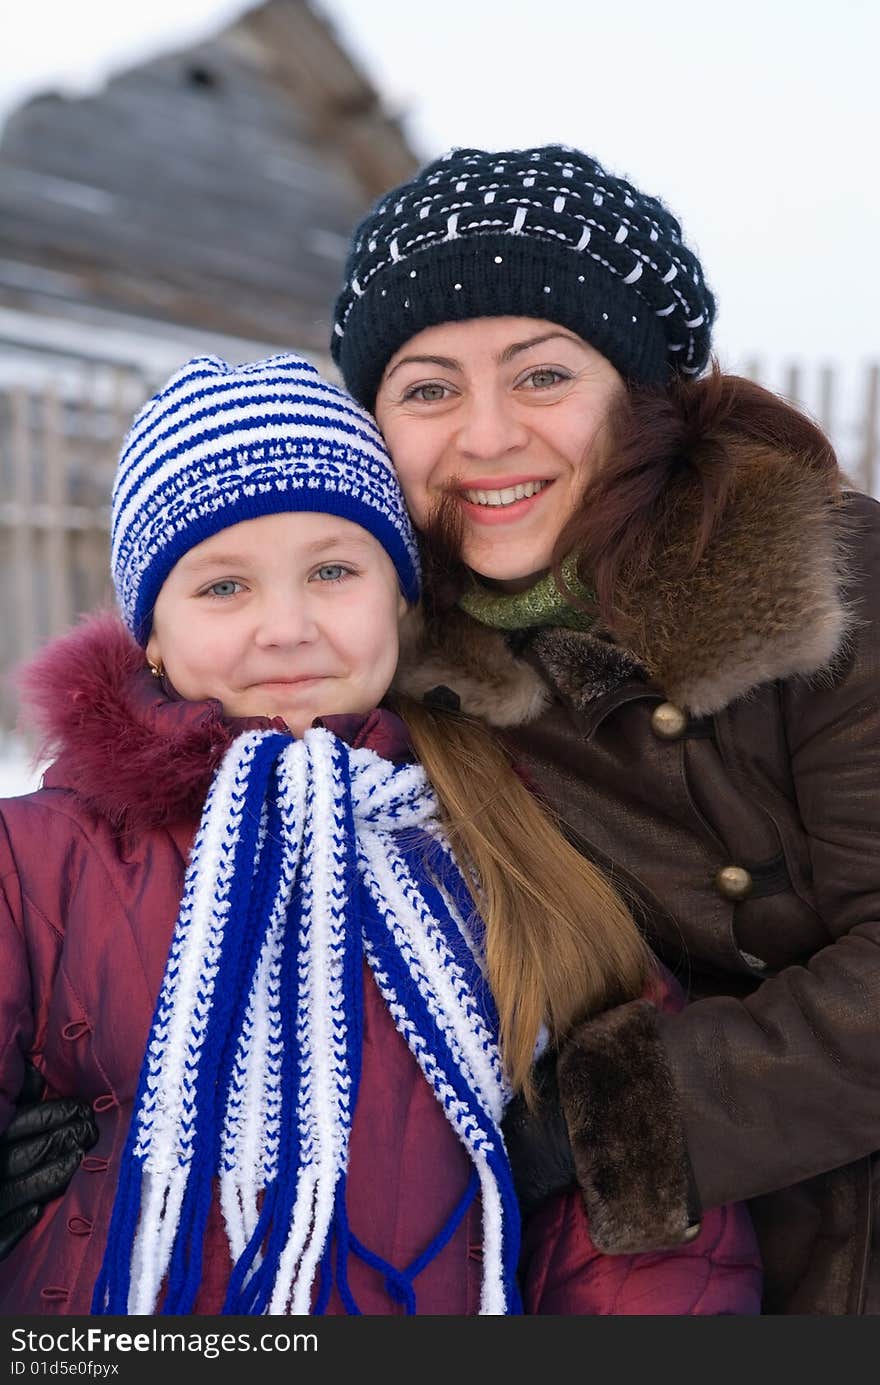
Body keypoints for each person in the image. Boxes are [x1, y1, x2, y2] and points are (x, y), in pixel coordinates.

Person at [0, 351, 760, 1316]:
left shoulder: (513, 846)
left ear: (398, 598)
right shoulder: (37, 865)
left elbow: (639, 1235)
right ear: (150, 629)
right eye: (223, 587)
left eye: (332, 570)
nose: (287, 627)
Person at [323, 143, 880, 1315]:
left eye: (540, 376)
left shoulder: (834, 585)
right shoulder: (385, 659)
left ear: (642, 391)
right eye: (427, 387)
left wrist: (605, 1120)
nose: (483, 438)